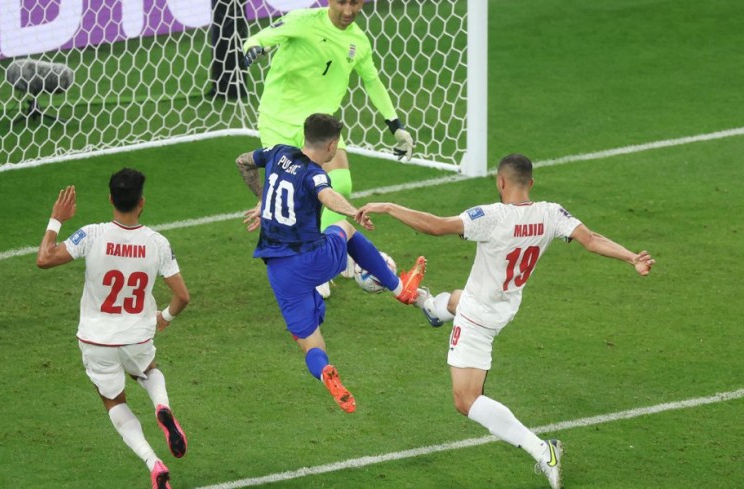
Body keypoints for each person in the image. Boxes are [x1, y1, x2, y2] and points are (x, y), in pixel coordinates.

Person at [355, 154, 655, 489]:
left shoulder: (492, 216)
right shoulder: (551, 213)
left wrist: (388, 207)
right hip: (505, 307)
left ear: (500, 182)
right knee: (458, 299)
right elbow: (592, 238)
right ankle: (429, 305)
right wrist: (631, 257)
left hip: (477, 319)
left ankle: (543, 451)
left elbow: (436, 226)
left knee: (465, 400)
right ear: (531, 183)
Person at [235, 113, 425, 413]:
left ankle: (325, 373)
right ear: (332, 145)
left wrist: (264, 199)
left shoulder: (278, 152)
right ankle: (401, 289)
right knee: (345, 229)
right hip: (311, 258)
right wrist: (353, 212)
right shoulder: (315, 173)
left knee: (311, 343)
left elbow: (243, 161)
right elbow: (327, 196)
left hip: (279, 271)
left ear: (305, 135)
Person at [241, 0, 415, 295]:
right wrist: (254, 49)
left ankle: (334, 251)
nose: (348, 11)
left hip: (319, 125)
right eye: (342, 2)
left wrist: (396, 126)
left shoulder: (358, 41)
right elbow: (257, 39)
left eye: (355, 3)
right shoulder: (302, 20)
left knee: (341, 182)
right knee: (298, 193)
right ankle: (313, 267)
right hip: (279, 119)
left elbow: (372, 81)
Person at [36, 169, 191, 489]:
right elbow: (182, 297)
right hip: (137, 336)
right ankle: (162, 406)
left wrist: (56, 219)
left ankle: (154, 463)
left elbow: (45, 258)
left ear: (110, 199)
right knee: (147, 370)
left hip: (96, 341)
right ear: (142, 202)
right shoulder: (157, 243)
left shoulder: (91, 235)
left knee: (114, 402)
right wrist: (165, 317)